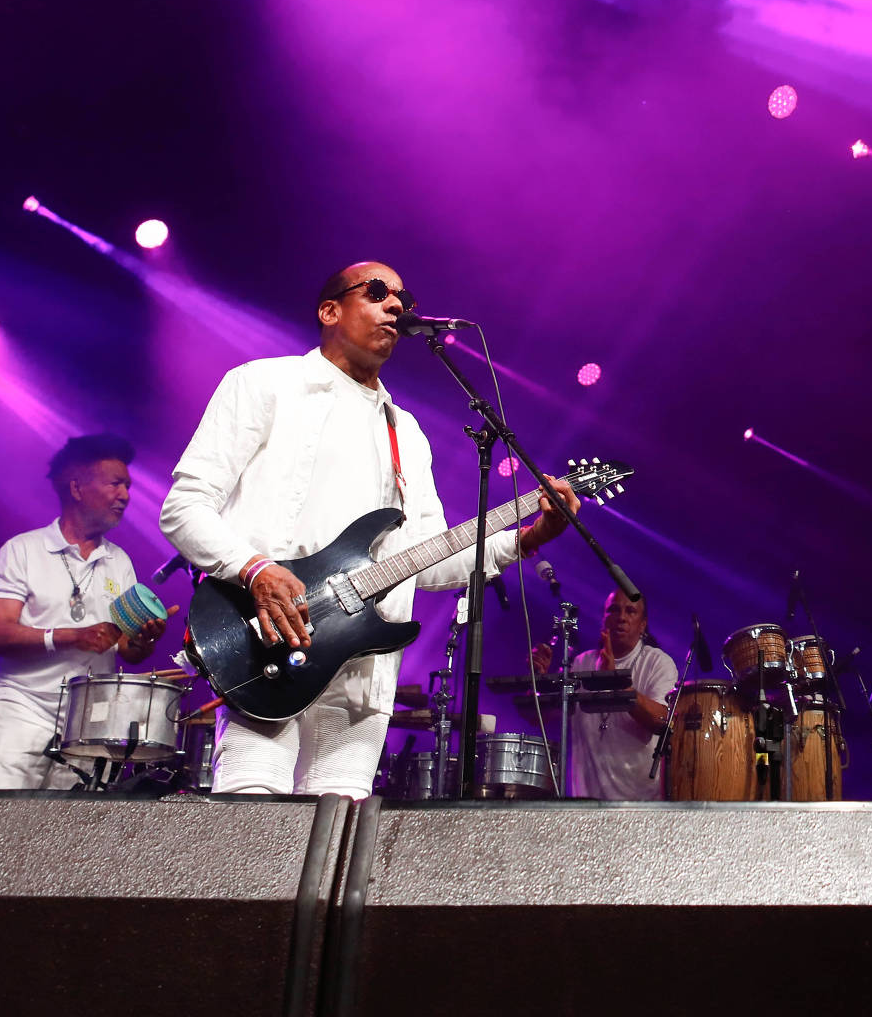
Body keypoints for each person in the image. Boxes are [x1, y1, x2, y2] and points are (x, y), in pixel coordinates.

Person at [160, 261, 578, 797]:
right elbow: (185, 506)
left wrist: (527, 538)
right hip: (262, 639)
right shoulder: (263, 384)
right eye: (378, 291)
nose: (397, 306)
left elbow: (428, 558)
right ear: (330, 310)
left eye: (404, 297)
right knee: (252, 825)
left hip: (361, 671)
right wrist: (256, 569)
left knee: (338, 833)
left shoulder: (405, 430)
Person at [0, 433, 165, 788]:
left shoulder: (119, 561)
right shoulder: (23, 550)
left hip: (90, 719)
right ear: (77, 489)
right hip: (24, 707)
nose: (125, 496)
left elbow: (127, 650)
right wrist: (74, 637)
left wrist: (144, 640)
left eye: (128, 486)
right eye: (115, 484)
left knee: (69, 832)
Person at [532, 588, 675, 800]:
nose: (622, 618)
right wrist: (538, 680)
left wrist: (615, 682)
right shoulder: (582, 663)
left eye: (631, 611)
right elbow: (539, 718)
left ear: (643, 625)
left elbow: (662, 721)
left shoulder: (658, 663)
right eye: (614, 610)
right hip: (586, 805)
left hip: (643, 805)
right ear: (603, 619)